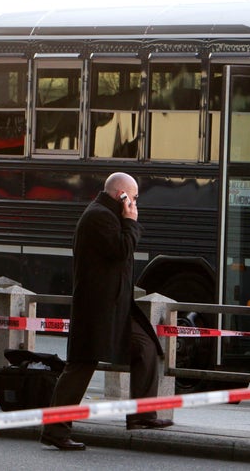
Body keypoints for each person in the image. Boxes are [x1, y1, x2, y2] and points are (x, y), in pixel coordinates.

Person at [41, 172, 172, 451]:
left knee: (147, 347)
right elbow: (121, 250)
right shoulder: (98, 217)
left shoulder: (108, 215)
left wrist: (127, 223)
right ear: (120, 195)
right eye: (133, 197)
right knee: (80, 366)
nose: (136, 203)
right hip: (97, 308)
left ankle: (142, 414)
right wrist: (131, 223)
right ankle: (55, 429)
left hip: (119, 307)